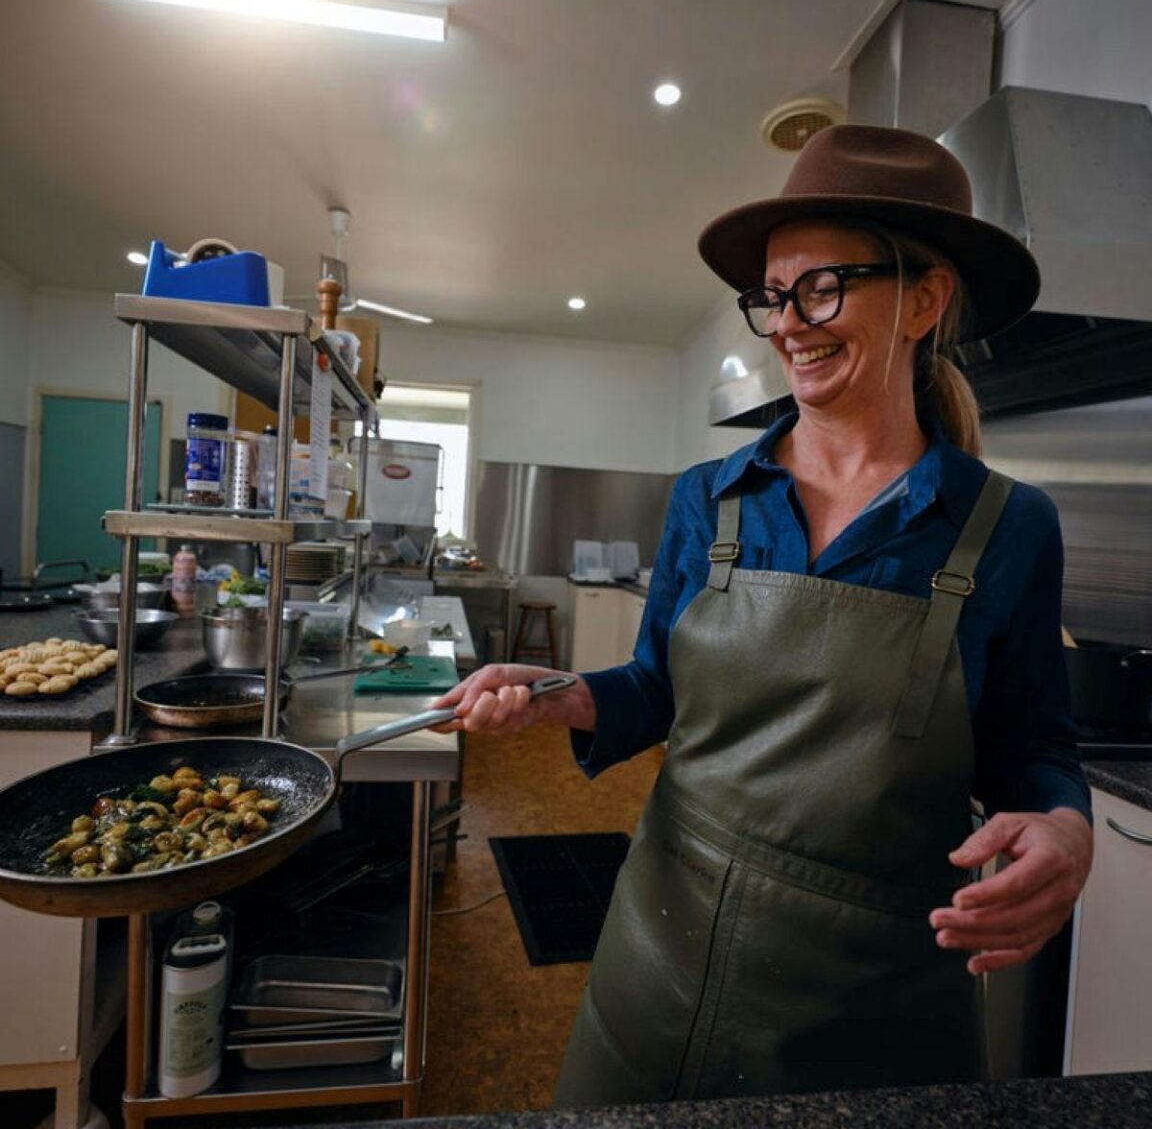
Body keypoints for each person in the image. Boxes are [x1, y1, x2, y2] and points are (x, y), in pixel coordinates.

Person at [431, 124, 1093, 1106]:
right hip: (662, 950)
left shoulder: (1007, 529)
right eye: (773, 296)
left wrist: (1065, 827)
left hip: (876, 1004)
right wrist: (557, 693)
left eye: (822, 287)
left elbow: (1030, 747)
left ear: (925, 298)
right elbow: (658, 687)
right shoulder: (712, 497)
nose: (788, 323)